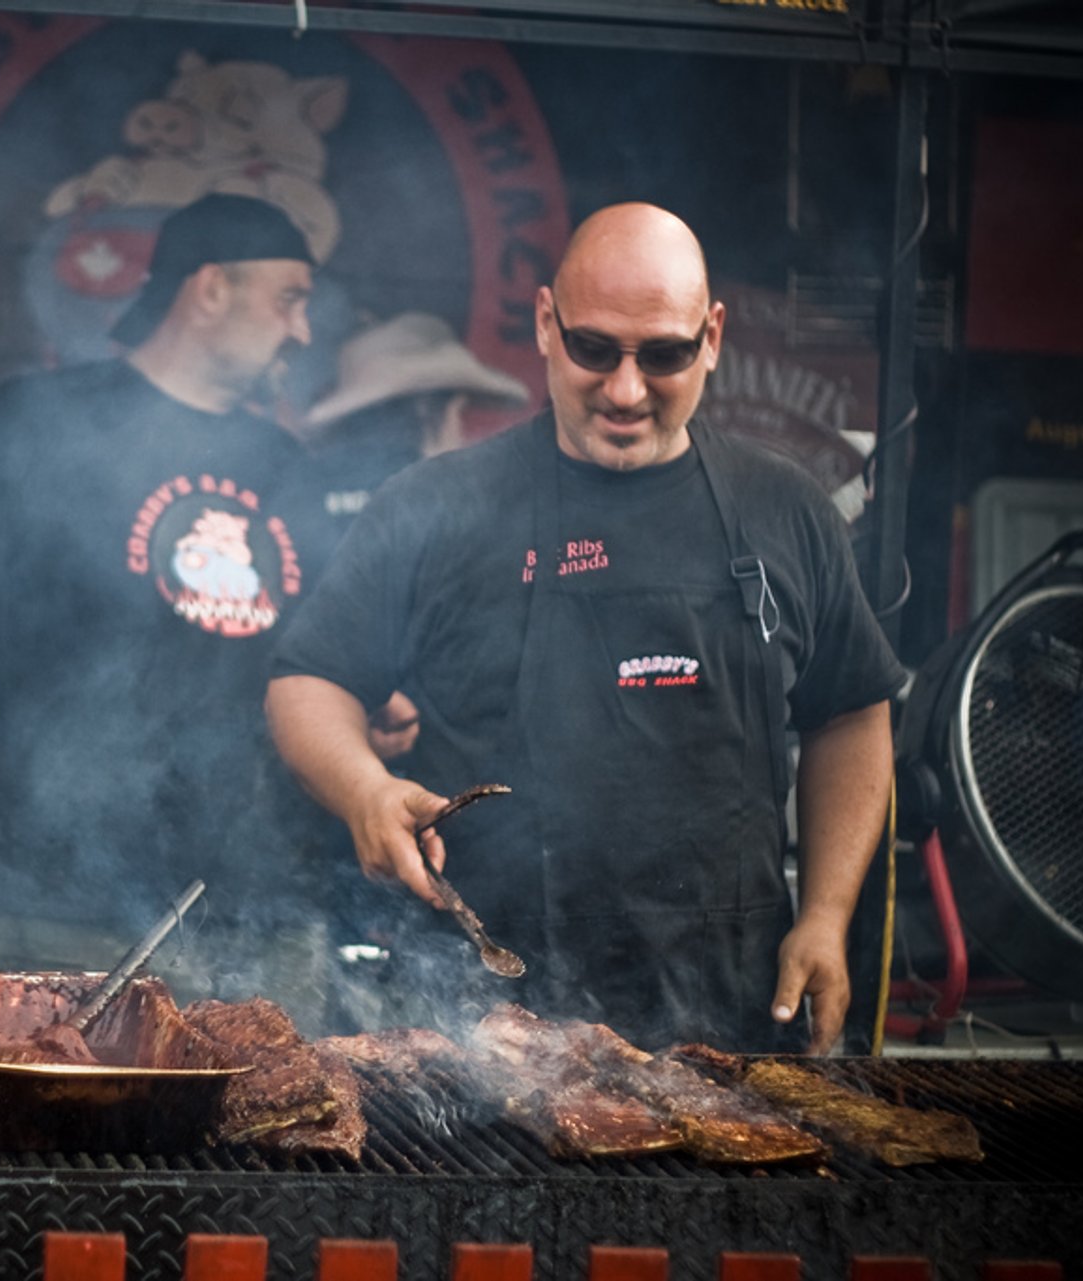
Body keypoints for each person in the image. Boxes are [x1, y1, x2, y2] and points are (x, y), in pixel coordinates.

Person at [265, 203, 902, 1054]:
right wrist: (365, 789)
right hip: (485, 1030)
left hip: (730, 1018)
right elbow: (308, 680)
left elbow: (851, 713)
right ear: (542, 324)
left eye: (665, 355)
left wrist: (826, 914)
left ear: (713, 337)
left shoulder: (785, 511)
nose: (626, 389)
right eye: (593, 349)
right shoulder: (437, 507)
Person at [0, 195, 323, 987]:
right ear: (211, 288)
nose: (302, 330)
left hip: (259, 920)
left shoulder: (290, 469)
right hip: (63, 914)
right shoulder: (41, 423)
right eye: (290, 298)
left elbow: (323, 657)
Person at [297, 311, 530, 548]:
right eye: (459, 413)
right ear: (425, 411)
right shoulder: (450, 506)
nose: (461, 436)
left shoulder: (303, 492)